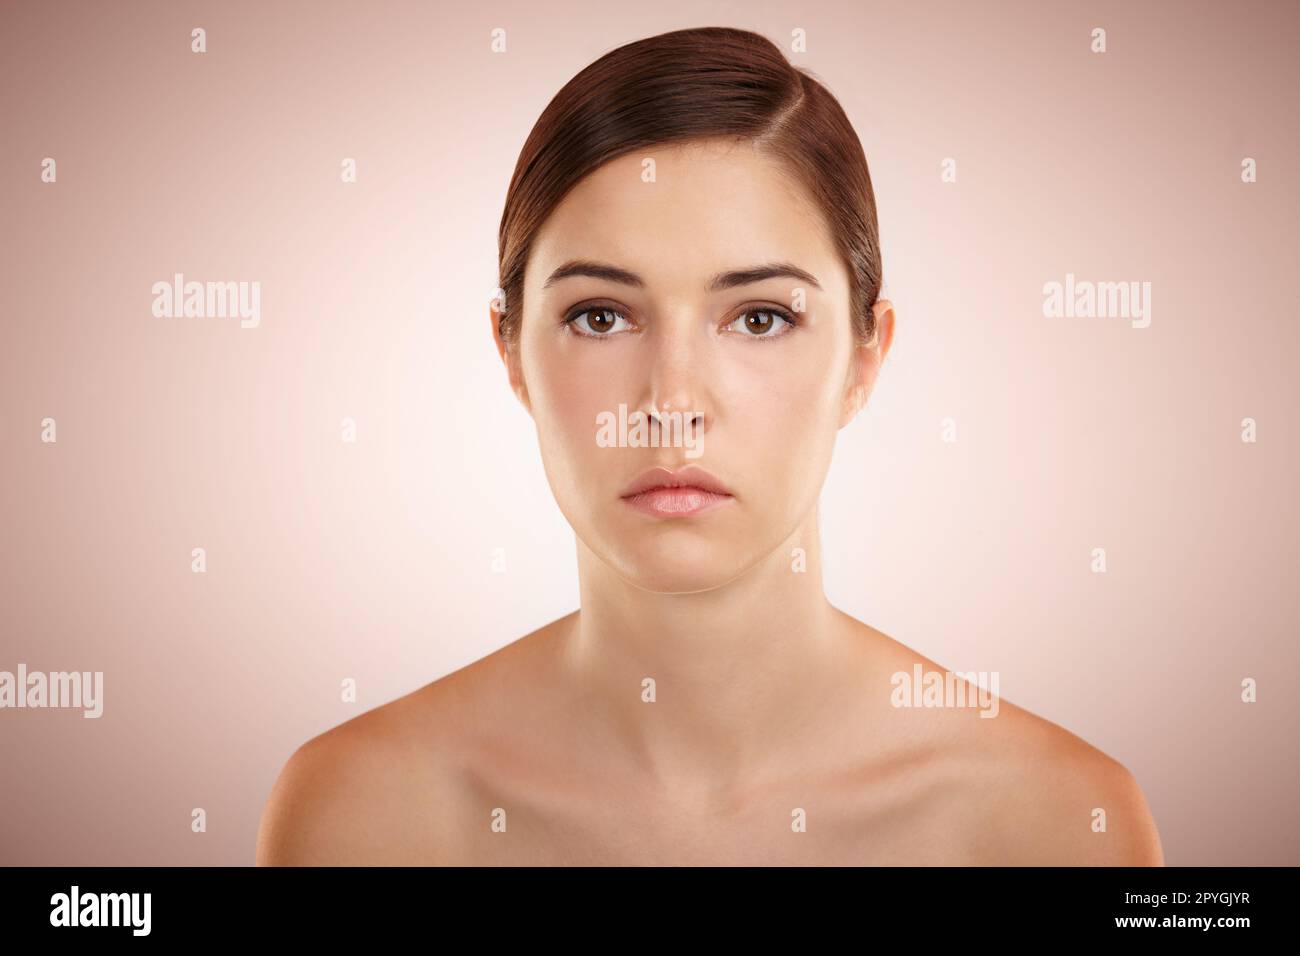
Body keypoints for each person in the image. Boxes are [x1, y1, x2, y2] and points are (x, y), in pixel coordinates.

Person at [256, 25, 1163, 866]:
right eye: (600, 315)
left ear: (864, 356)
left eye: (760, 318)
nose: (673, 403)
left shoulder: (1053, 820)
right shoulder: (362, 812)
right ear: (511, 353)